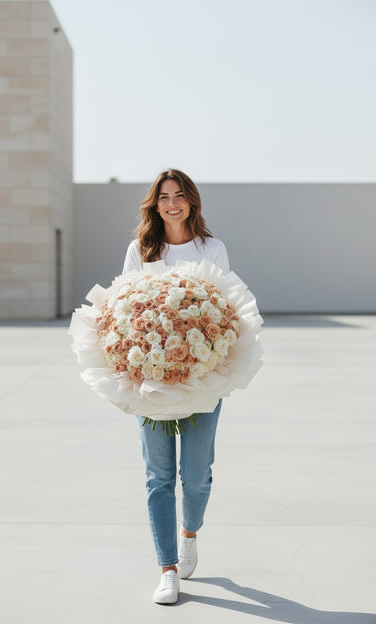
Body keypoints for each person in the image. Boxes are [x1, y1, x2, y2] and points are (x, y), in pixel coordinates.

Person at [122, 169, 230, 604]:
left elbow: (225, 306)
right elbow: (125, 307)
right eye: (164, 196)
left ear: (191, 202)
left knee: (197, 477)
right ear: (155, 203)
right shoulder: (142, 249)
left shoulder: (212, 248)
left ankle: (189, 534)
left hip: (203, 375)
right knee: (158, 476)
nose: (172, 203)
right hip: (152, 380)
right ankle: (167, 569)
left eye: (179, 195)